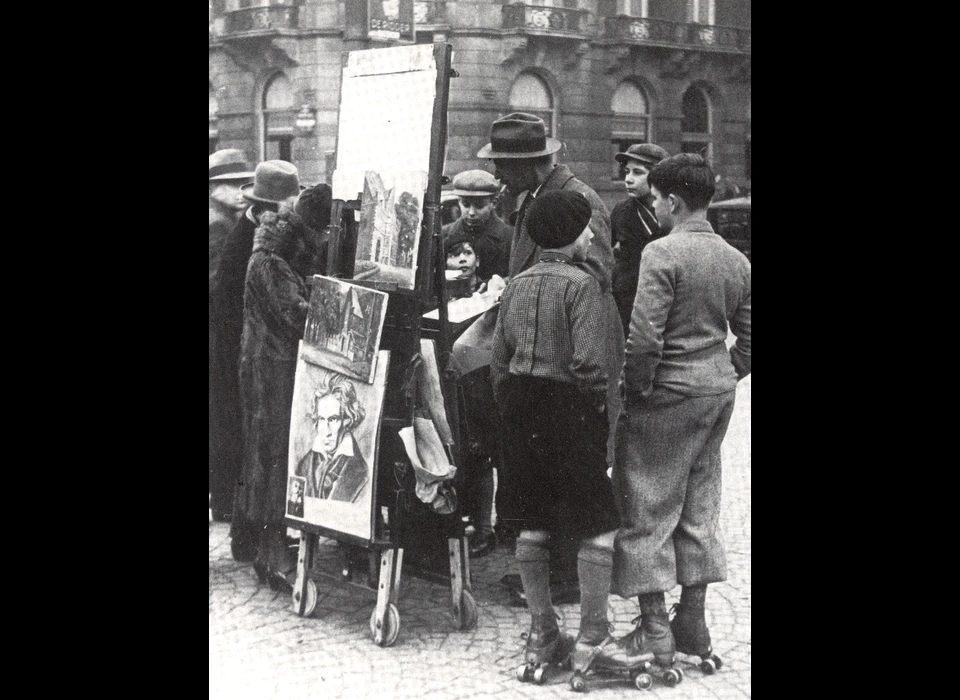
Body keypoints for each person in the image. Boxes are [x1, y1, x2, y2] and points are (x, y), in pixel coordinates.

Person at [604, 153, 751, 674]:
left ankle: (655, 634)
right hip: (715, 395)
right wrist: (726, 371)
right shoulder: (736, 260)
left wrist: (637, 389)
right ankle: (693, 622)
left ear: (673, 201)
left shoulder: (661, 253)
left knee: (647, 505)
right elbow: (750, 337)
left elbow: (644, 339)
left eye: (659, 200)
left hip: (665, 396)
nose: (656, 208)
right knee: (699, 504)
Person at [479, 111, 624, 602]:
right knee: (548, 466)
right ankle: (550, 569)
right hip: (550, 351)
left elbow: (598, 276)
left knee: (570, 466)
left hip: (570, 353)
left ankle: (563, 577)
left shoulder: (577, 199)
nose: (497, 175)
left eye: (501, 165)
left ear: (529, 164)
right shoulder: (533, 197)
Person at [490, 190, 621, 677]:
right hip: (569, 406)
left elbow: (499, 360)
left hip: (522, 404)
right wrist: (596, 415)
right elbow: (589, 363)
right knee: (599, 523)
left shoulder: (517, 284)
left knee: (533, 521)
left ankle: (542, 633)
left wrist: (513, 406)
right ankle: (592, 635)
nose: (591, 234)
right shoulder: (581, 286)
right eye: (585, 228)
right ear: (570, 237)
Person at [222, 160, 304, 565]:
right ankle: (255, 538)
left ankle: (245, 537)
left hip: (251, 352)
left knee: (251, 449)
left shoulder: (259, 237)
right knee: (255, 448)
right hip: (248, 356)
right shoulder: (250, 244)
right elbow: (229, 306)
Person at [209, 149, 256, 523]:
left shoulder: (224, 220)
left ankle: (224, 499)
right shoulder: (216, 226)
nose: (242, 192)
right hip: (217, 335)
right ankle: (225, 500)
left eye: (245, 184)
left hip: (218, 333)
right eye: (232, 185)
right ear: (214, 188)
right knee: (224, 416)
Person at [610, 143, 670, 336]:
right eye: (626, 172)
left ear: (658, 176)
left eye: (637, 173)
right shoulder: (621, 211)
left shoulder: (674, 211)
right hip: (629, 305)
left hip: (666, 304)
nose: (628, 179)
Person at [295, 373, 370, 504]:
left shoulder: (362, 470)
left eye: (333, 419)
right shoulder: (304, 466)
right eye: (321, 419)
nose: (326, 431)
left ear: (347, 420)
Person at [441, 169, 511, 282]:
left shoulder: (510, 238)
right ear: (459, 202)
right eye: (466, 205)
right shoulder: (443, 236)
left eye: (479, 206)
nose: (471, 212)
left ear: (494, 203)